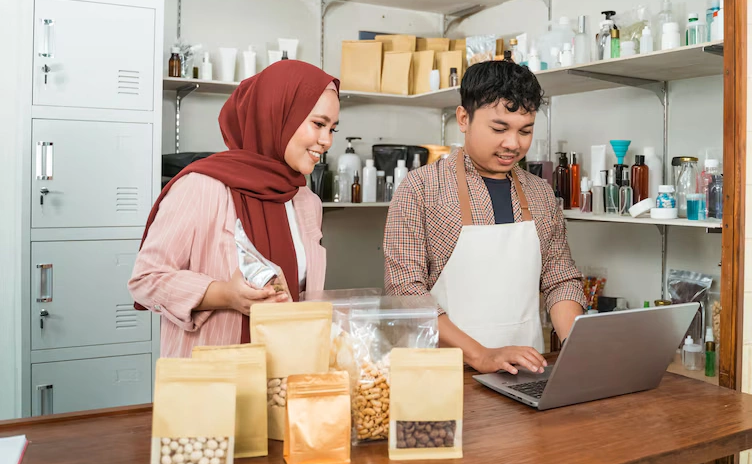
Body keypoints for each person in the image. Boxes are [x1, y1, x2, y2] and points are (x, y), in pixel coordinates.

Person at [384, 60, 587, 376]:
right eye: (499, 128)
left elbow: (560, 278)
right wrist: (480, 356)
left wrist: (579, 346)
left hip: (526, 372)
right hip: (442, 374)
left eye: (525, 130)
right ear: (463, 118)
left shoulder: (540, 192)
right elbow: (405, 292)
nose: (513, 144)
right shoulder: (421, 188)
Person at [129, 60, 340, 358]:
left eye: (333, 129)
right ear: (277, 115)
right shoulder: (201, 187)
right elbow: (145, 280)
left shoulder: (307, 202)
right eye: (318, 124)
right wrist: (224, 294)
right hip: (215, 384)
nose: (327, 140)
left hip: (286, 373)